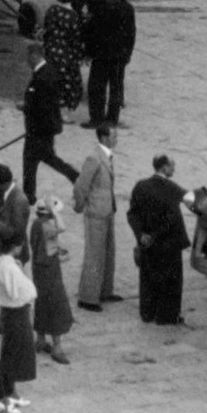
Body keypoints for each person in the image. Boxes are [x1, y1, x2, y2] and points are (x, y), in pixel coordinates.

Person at [127, 154, 193, 325]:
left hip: (147, 243)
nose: (174, 168)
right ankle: (167, 316)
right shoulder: (172, 188)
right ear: (164, 167)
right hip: (167, 244)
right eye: (172, 165)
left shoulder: (141, 186)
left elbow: (132, 213)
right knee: (170, 281)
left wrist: (141, 234)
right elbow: (174, 216)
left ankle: (147, 313)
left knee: (148, 278)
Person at [75, 0, 136, 129]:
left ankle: (97, 118)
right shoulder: (128, 8)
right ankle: (112, 119)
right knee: (116, 86)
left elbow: (92, 32)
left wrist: (87, 51)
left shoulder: (100, 10)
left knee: (97, 87)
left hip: (101, 54)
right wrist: (127, 54)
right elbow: (131, 34)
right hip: (119, 55)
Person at [21, 39, 80, 202]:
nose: (26, 61)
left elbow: (42, 105)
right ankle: (30, 193)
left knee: (35, 160)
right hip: (43, 127)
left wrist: (25, 107)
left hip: (40, 129)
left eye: (28, 57)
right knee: (41, 160)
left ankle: (29, 194)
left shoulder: (43, 76)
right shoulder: (47, 72)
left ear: (34, 56)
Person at [73, 124, 121, 312]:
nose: (116, 138)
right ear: (103, 137)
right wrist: (79, 205)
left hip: (107, 210)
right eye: (113, 135)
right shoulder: (93, 158)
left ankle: (104, 291)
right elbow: (81, 186)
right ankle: (88, 297)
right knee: (94, 255)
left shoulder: (106, 156)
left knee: (108, 253)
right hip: (95, 212)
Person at [29, 199, 73, 363]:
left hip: (39, 268)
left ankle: (40, 338)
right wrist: (55, 213)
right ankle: (57, 346)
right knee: (56, 304)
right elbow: (62, 227)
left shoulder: (35, 224)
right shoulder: (47, 225)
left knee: (42, 302)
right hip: (49, 269)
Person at [0, 233, 38, 390]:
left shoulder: (2, 261)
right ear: (16, 247)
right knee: (16, 352)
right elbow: (18, 292)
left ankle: (9, 387)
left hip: (10, 312)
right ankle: (8, 388)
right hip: (17, 312)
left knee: (10, 350)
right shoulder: (10, 267)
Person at [38, 0, 84, 113]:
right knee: (68, 83)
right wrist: (79, 55)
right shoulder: (73, 16)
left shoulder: (52, 10)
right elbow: (76, 38)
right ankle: (64, 110)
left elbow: (46, 29)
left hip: (51, 51)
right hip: (66, 55)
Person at [0, 164, 31, 263]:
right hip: (1, 251)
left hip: (13, 254)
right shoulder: (2, 191)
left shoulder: (19, 200)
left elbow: (15, 232)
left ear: (3, 184)